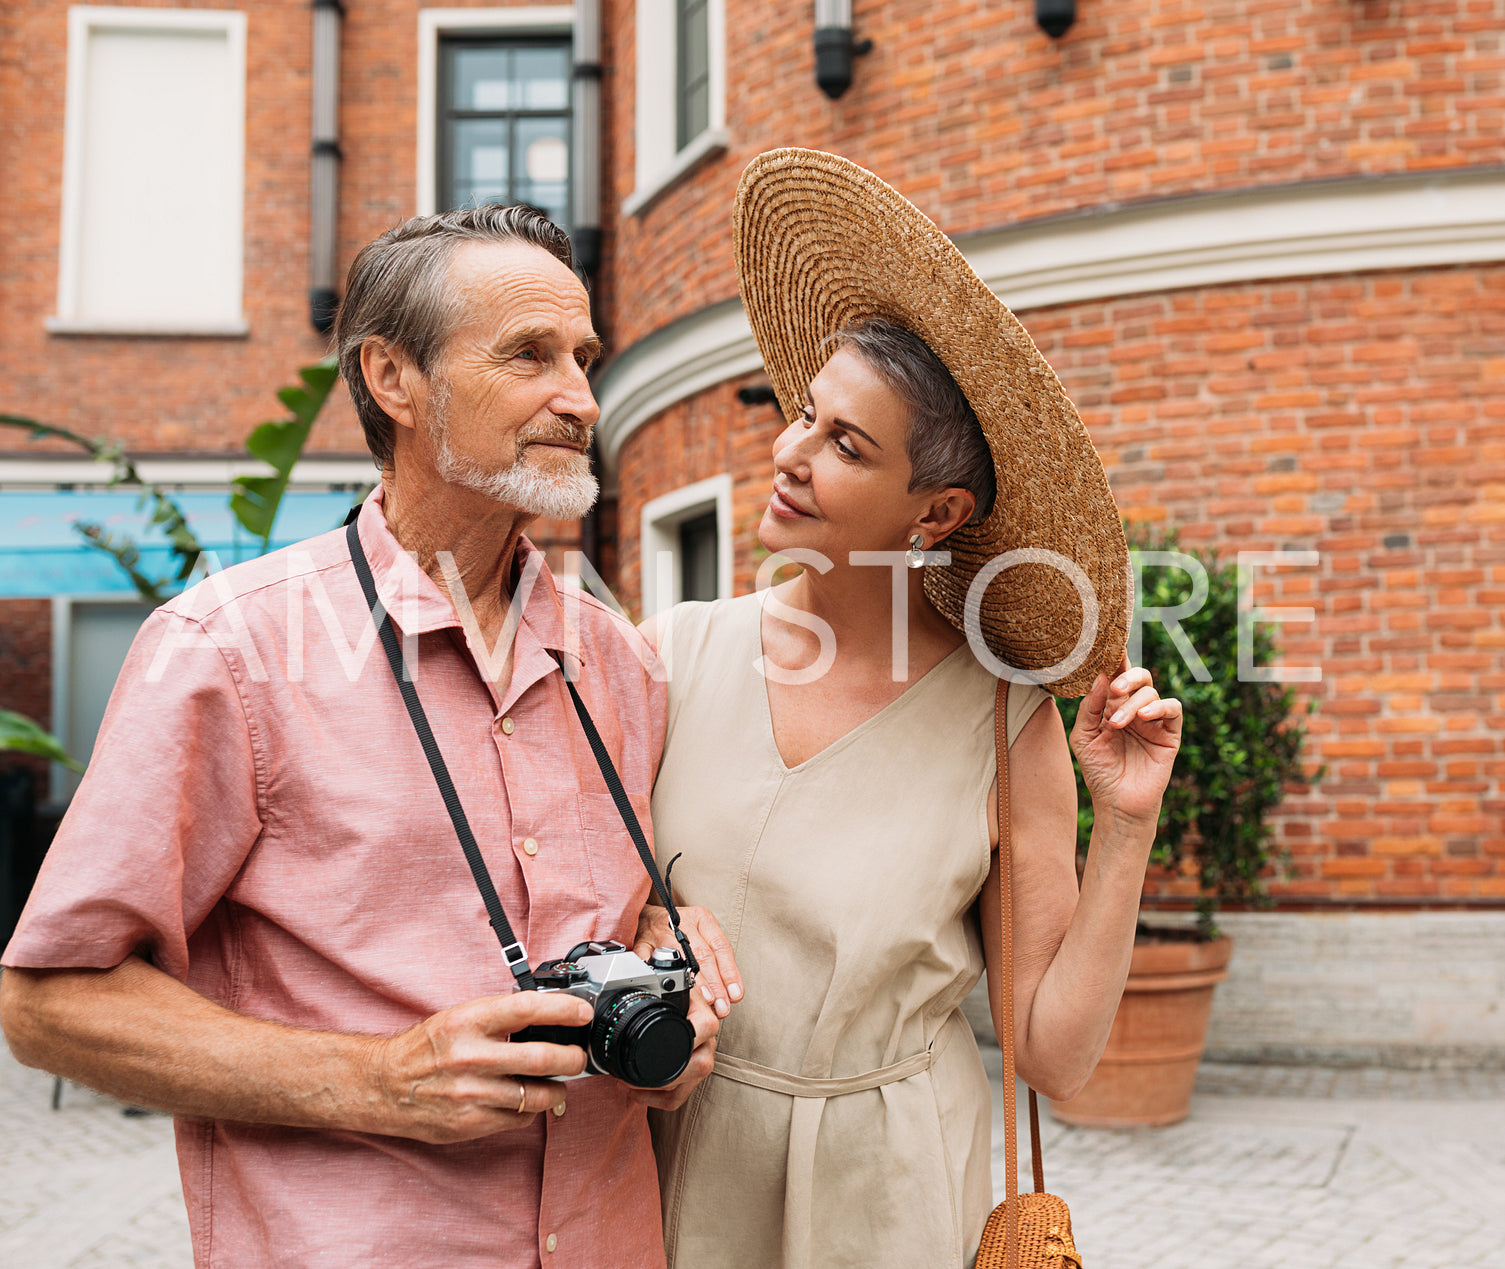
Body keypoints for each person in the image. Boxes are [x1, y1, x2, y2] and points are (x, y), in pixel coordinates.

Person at [0, 205, 717, 1268]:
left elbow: (625, 903)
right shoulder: (224, 649)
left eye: (583, 358)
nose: (579, 398)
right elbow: (50, 1001)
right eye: (528, 355)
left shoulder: (622, 663)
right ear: (393, 378)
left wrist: (677, 959)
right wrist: (374, 1081)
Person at [635, 150, 1185, 1268]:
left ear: (932, 512)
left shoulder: (1004, 721)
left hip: (887, 1206)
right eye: (802, 415)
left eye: (844, 445)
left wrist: (1123, 826)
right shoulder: (671, 656)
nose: (789, 456)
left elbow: (1057, 1057)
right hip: (667, 1171)